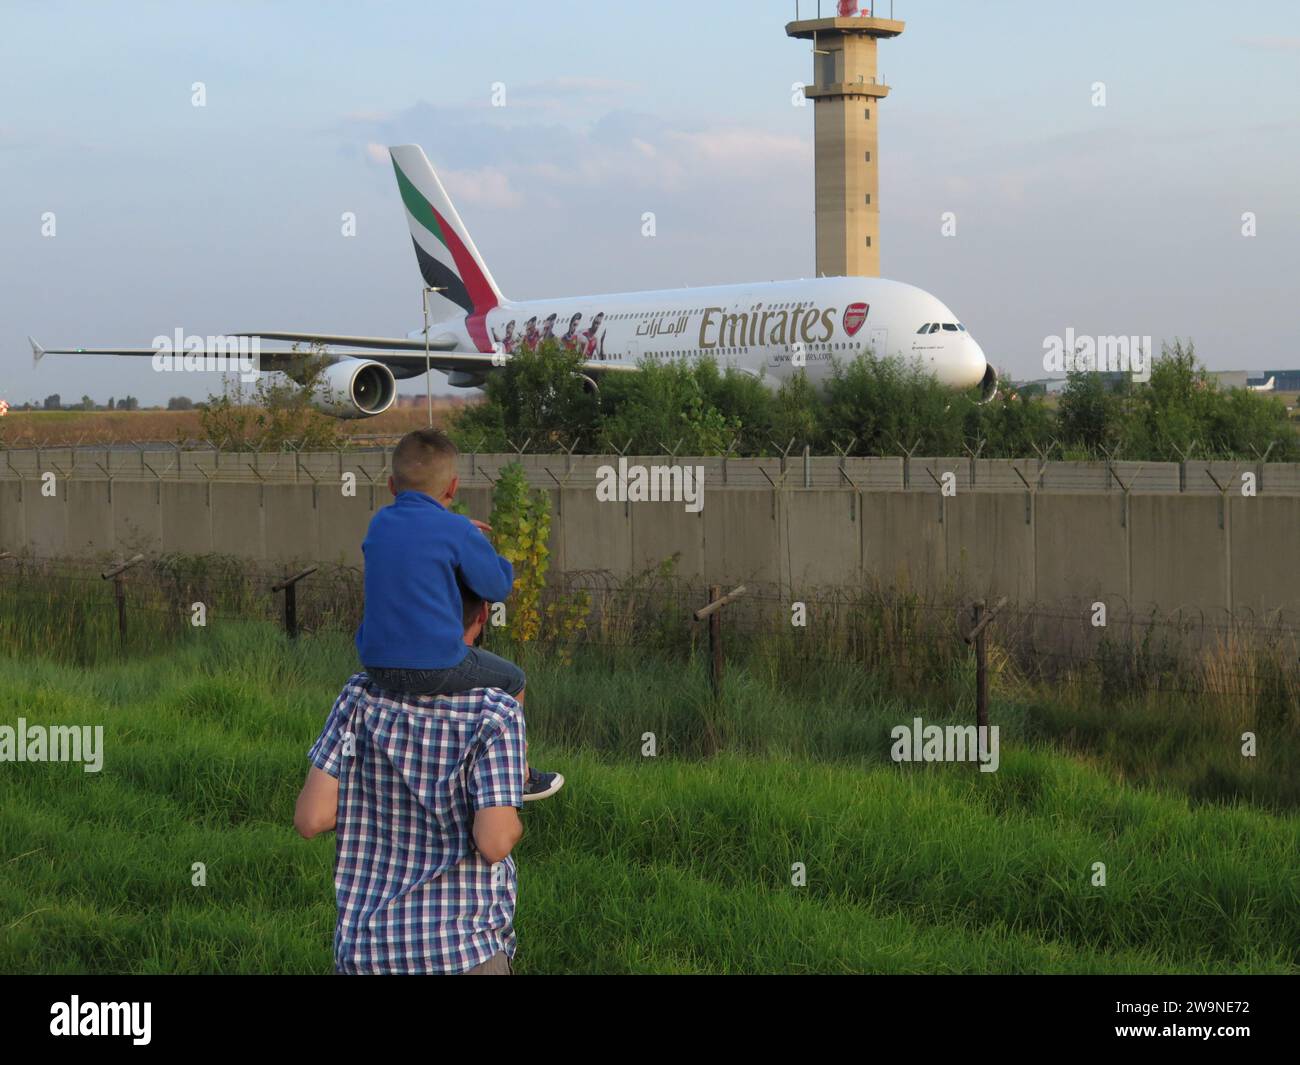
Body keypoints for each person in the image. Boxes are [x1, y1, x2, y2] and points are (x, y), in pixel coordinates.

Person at [294, 585, 526, 974]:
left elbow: (310, 818)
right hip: (462, 953)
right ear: (483, 614)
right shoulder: (495, 713)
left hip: (368, 952)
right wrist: (512, 814)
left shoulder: (358, 698)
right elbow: (494, 842)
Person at [355, 426, 562, 801]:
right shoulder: (456, 531)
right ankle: (519, 774)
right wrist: (479, 544)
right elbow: (496, 587)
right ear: (452, 488)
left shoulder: (379, 522)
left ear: (390, 485)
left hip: (375, 664)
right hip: (435, 665)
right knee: (514, 680)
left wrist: (454, 530)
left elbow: (415, 540)